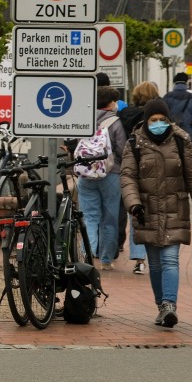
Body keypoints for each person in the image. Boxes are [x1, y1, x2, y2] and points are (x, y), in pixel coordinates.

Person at [121, 98, 192, 328]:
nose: (159, 123)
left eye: (162, 119)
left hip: (174, 208)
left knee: (170, 259)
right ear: (146, 121)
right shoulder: (134, 143)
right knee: (156, 263)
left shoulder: (181, 141)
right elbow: (128, 177)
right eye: (154, 120)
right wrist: (134, 204)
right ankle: (161, 305)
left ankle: (170, 305)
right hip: (147, 211)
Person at [76, 87, 129, 271]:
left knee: (89, 218)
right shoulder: (116, 122)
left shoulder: (84, 119)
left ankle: (85, 258)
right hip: (111, 174)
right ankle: (106, 259)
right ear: (110, 103)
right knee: (110, 219)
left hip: (86, 174)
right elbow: (122, 149)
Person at [116, 81, 159, 272]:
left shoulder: (124, 115)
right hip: (150, 168)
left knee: (130, 211)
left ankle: (130, 256)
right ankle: (141, 259)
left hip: (127, 166)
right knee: (145, 214)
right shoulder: (157, 118)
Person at [164, 72, 192, 140]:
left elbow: (163, 117)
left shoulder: (167, 97)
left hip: (171, 134)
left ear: (174, 83)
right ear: (186, 83)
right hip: (188, 135)